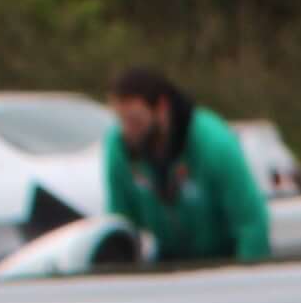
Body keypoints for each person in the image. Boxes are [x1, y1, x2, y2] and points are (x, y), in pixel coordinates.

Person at [100, 67, 274, 269]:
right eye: (121, 120)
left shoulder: (213, 142)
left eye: (135, 121)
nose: (127, 132)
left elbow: (251, 222)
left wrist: (246, 279)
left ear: (162, 108)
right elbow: (121, 226)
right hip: (167, 265)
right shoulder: (119, 148)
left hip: (223, 261)